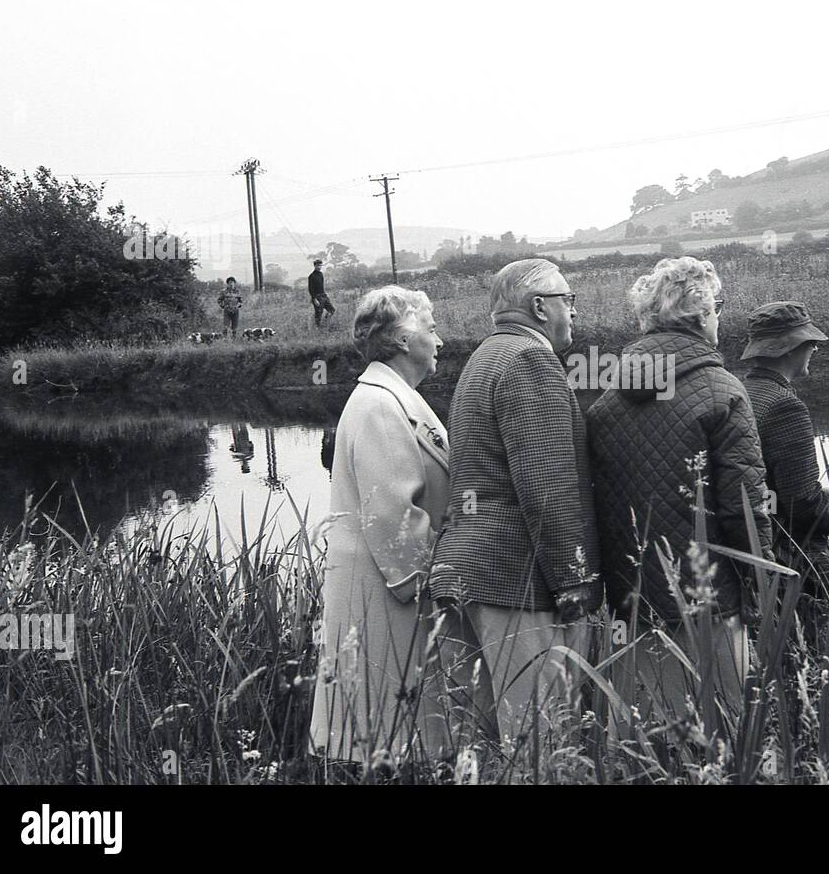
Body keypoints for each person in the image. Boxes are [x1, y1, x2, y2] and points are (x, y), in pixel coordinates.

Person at [586, 256, 774, 723]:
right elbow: (744, 507)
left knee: (660, 731)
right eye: (719, 306)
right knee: (734, 725)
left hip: (636, 599)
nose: (720, 317)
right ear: (702, 315)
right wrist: (761, 582)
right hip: (710, 595)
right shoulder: (722, 389)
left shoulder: (608, 398)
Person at [429, 258, 601, 746]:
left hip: (463, 571)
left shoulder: (483, 358)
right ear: (540, 307)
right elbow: (547, 488)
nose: (574, 312)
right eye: (569, 301)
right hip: (513, 581)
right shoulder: (530, 361)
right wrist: (576, 579)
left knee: (475, 744)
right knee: (540, 745)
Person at [309, 286, 451, 770]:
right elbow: (390, 512)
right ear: (406, 341)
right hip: (388, 587)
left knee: (385, 709)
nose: (440, 342)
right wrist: (432, 578)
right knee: (382, 710)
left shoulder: (388, 397)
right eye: (432, 330)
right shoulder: (379, 405)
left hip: (383, 584)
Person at [741, 302, 829, 637]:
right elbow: (801, 504)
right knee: (821, 651)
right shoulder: (784, 405)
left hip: (756, 549)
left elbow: (766, 484)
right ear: (791, 348)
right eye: (810, 342)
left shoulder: (742, 392)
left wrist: (819, 493)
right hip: (793, 557)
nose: (815, 348)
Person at [309, 258, 336, 328]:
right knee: (318, 314)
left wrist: (325, 293)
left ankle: (324, 322)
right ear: (314, 266)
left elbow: (321, 286)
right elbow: (311, 289)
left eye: (320, 265)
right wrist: (314, 299)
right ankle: (317, 328)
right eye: (318, 265)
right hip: (317, 298)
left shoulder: (321, 274)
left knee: (332, 310)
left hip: (324, 296)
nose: (319, 267)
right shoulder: (311, 276)